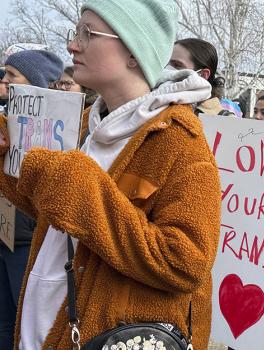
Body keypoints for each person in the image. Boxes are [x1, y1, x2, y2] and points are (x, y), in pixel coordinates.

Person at [0, 0, 222, 349]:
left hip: (99, 336)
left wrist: (79, 187)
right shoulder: (86, 122)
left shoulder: (180, 140)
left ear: (134, 52)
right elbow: (55, 208)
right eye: (77, 32)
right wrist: (7, 157)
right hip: (43, 329)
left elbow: (187, 262)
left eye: (88, 34)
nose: (73, 45)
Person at [0, 49, 63, 349]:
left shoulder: (56, 129)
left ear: (34, 83)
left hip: (27, 238)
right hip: (4, 233)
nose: (5, 81)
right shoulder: (6, 120)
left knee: (22, 316)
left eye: (12, 75)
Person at [169, 37, 235, 116]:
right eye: (166, 64)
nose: (168, 70)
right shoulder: (155, 104)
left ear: (203, 75)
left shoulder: (226, 121)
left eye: (177, 65)